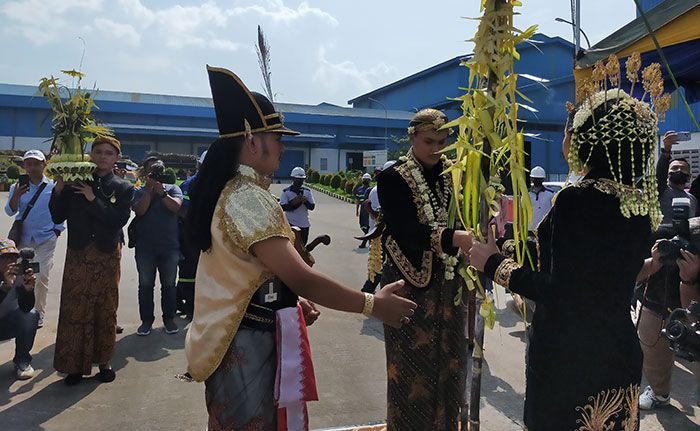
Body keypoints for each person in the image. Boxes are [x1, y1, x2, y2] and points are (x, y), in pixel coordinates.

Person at [185, 66, 415, 430]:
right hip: (246, 346)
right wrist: (374, 305)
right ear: (250, 139)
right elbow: (302, 277)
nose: (283, 146)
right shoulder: (248, 198)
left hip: (242, 335)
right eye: (277, 137)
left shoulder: (234, 191)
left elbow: (245, 271)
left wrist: (286, 300)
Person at [469, 78, 665, 429]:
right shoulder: (637, 204)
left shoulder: (577, 200)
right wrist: (512, 246)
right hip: (618, 350)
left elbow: (562, 291)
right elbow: (591, 271)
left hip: (571, 357)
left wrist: (494, 264)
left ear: (582, 141)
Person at [377, 109, 473, 430]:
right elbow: (407, 232)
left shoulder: (454, 175)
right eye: (428, 141)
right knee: (411, 371)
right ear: (412, 137)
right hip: (410, 288)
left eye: (442, 143)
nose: (435, 149)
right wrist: (451, 237)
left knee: (451, 363)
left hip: (449, 287)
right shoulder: (392, 178)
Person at [50, 135, 134, 386]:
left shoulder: (122, 187)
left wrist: (92, 199)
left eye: (108, 153)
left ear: (116, 157)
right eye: (98, 152)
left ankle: (104, 362)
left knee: (105, 308)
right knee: (74, 308)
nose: (102, 157)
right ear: (90, 155)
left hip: (106, 254)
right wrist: (59, 189)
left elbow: (118, 220)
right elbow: (57, 214)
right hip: (78, 252)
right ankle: (73, 366)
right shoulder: (76, 181)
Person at [4, 150, 64, 327]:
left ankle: (38, 312)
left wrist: (56, 230)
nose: (31, 167)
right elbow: (10, 211)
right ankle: (21, 310)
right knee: (21, 275)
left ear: (43, 164)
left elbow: (60, 210)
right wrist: (16, 196)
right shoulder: (17, 187)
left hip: (45, 238)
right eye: (28, 163)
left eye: (35, 163)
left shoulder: (53, 186)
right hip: (23, 238)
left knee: (41, 276)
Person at [131, 159, 183, 336]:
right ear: (145, 173)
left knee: (169, 285)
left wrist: (162, 193)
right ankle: (146, 321)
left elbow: (176, 207)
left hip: (170, 247)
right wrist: (148, 190)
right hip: (145, 247)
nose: (154, 174)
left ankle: (169, 319)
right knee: (145, 285)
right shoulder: (138, 190)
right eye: (151, 171)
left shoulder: (173, 188)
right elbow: (140, 211)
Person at [0, 239, 38, 380]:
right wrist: (4, 287)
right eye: (5, 257)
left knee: (31, 315)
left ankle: (22, 360)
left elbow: (26, 308)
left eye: (13, 257)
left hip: (6, 323)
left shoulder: (18, 275)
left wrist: (27, 290)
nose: (10, 261)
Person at [175, 150, 207, 318]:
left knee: (203, 271)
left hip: (206, 233)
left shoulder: (218, 184)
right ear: (200, 166)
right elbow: (181, 210)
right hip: (189, 233)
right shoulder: (190, 184)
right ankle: (187, 307)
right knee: (189, 270)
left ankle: (180, 301)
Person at [656, 131, 697, 222]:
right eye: (675, 168)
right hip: (663, 235)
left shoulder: (693, 199)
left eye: (683, 168)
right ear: (667, 173)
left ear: (689, 176)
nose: (679, 170)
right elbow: (660, 174)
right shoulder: (661, 191)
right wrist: (667, 150)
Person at [279, 167, 315, 246]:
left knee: (302, 247)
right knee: (291, 246)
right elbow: (283, 207)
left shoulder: (307, 192)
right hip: (290, 224)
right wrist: (295, 203)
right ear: (293, 178)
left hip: (304, 224)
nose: (300, 181)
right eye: (298, 179)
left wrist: (304, 201)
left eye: (302, 179)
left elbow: (312, 207)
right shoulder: (286, 192)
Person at [355, 173, 372, 248]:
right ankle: (369, 238)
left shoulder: (371, 190)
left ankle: (365, 242)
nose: (365, 181)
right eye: (364, 180)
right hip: (362, 209)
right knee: (362, 225)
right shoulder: (359, 189)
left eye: (367, 180)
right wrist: (357, 210)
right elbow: (358, 200)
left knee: (367, 226)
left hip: (369, 210)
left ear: (370, 181)